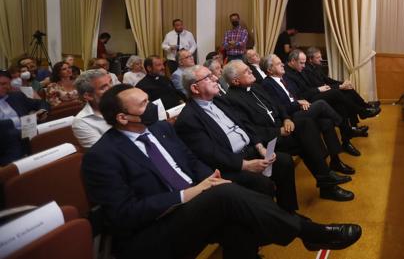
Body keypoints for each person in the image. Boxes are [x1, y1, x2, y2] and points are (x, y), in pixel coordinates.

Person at [82, 84, 362, 259]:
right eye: (144, 104)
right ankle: (310, 232)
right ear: (122, 118)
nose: (154, 107)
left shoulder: (161, 129)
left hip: (195, 202)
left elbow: (190, 161)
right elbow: (123, 215)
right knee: (225, 196)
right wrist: (190, 193)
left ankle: (301, 233)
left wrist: (209, 178)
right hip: (153, 230)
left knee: (235, 221)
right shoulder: (102, 157)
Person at [224, 60, 355, 202]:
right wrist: (278, 131)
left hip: (283, 128)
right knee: (307, 138)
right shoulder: (232, 100)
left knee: (306, 124)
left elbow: (278, 105)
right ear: (236, 81)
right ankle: (327, 180)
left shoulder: (256, 87)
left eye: (249, 69)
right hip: (269, 141)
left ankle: (327, 180)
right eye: (246, 71)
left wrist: (286, 119)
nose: (251, 71)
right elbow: (250, 130)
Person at [175, 65, 299, 212]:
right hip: (230, 164)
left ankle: (289, 212)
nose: (216, 78)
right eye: (208, 77)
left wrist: (260, 147)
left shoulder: (220, 100)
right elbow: (211, 154)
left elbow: (244, 124)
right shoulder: (188, 119)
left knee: (284, 161)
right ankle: (272, 220)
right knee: (263, 183)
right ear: (195, 88)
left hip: (251, 150)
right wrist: (245, 165)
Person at [260, 54, 357, 175]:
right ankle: (344, 126)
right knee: (321, 104)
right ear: (269, 69)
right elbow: (279, 108)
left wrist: (302, 101)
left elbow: (297, 95)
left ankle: (335, 161)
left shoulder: (284, 79)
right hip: (291, 117)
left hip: (300, 110)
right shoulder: (267, 85)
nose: (283, 65)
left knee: (326, 123)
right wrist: (298, 104)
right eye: (279, 64)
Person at [305, 47, 379, 132]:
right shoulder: (307, 70)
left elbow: (328, 80)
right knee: (344, 97)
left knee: (348, 90)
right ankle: (363, 111)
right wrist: (340, 86)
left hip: (326, 91)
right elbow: (320, 86)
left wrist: (342, 83)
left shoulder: (317, 67)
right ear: (310, 59)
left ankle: (364, 110)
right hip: (318, 95)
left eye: (320, 57)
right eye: (318, 57)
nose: (321, 59)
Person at [0, 70, 49, 165]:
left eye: (8, 84)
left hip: (28, 134)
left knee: (51, 129)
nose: (7, 87)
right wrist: (22, 120)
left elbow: (41, 103)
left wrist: (43, 111)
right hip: (5, 143)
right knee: (13, 134)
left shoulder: (16, 96)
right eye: (2, 84)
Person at [72, 69, 113, 148]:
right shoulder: (82, 122)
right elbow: (105, 152)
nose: (112, 88)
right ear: (89, 96)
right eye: (104, 87)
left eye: (110, 82)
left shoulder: (123, 104)